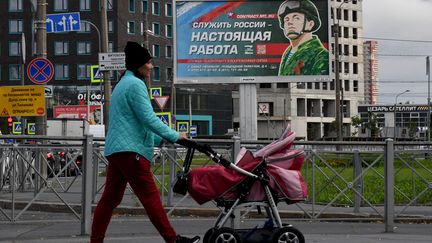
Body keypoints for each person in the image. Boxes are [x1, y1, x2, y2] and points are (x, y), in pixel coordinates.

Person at [90, 41, 200, 243]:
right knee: (150, 197)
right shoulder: (135, 85)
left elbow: (135, 122)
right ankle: (173, 240)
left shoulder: (122, 84)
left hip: (117, 150)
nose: (151, 66)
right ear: (139, 64)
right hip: (132, 151)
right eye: (148, 63)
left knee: (110, 199)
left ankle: (95, 241)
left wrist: (161, 138)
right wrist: (175, 136)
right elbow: (149, 119)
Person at [278, 0, 329, 76]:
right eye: (286, 20)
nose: (289, 22)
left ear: (310, 24)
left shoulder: (321, 56)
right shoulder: (287, 53)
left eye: (296, 18)